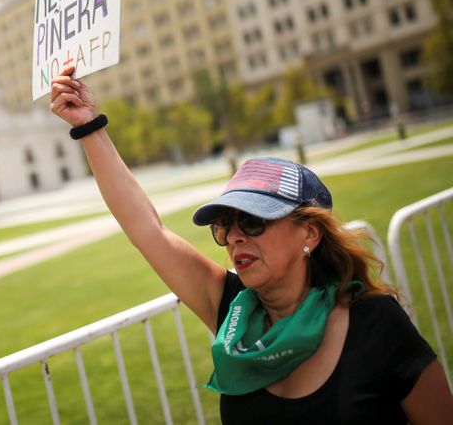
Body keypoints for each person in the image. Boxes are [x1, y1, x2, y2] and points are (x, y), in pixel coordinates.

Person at [50, 66, 453, 424]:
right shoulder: (230, 310)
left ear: (309, 234)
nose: (236, 236)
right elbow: (148, 230)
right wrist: (89, 126)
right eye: (226, 226)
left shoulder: (376, 322)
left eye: (254, 221)